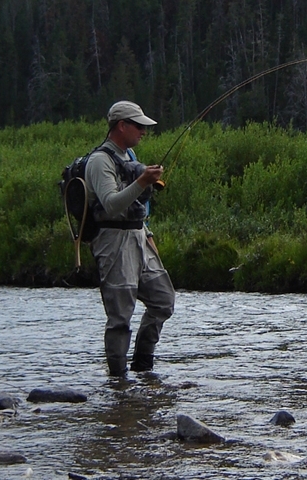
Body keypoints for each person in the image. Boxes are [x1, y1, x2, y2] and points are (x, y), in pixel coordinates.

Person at [84, 100, 175, 377]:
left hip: (139, 237)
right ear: (121, 126)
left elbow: (136, 206)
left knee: (163, 301)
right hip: (113, 242)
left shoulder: (130, 155)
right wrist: (143, 182)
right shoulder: (100, 161)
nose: (143, 131)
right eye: (138, 126)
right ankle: (118, 380)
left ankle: (143, 366)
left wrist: (147, 235)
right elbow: (111, 204)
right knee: (120, 316)